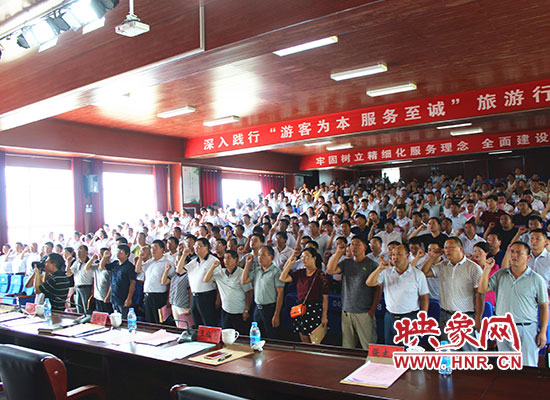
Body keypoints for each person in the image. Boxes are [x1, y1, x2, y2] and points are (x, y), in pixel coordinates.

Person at [478, 241, 549, 367]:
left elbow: (543, 306)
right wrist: (487, 269)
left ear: (528, 258)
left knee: (528, 367)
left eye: (519, 252)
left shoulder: (536, 279)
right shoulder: (501, 274)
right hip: (503, 328)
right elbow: (482, 289)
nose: (514, 255)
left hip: (526, 328)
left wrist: (543, 332)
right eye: (512, 252)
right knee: (506, 367)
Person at [422, 237, 484, 350]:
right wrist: (432, 257)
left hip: (465, 316)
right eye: (445, 248)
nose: (447, 250)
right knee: (447, 352)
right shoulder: (442, 266)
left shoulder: (473, 268)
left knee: (468, 353)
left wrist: (478, 318)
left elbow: (480, 295)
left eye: (451, 247)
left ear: (460, 249)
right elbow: (423, 273)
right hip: (446, 315)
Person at [366, 244, 429, 345]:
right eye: (393, 254)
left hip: (410, 318)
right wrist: (380, 268)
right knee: (390, 349)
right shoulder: (386, 272)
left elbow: (424, 298)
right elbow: (369, 283)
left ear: (407, 256)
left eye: (399, 254)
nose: (395, 257)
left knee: (409, 349)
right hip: (390, 317)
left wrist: (422, 318)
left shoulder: (418, 274)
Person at [326, 236, 380, 349]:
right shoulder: (346, 262)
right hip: (347, 310)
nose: (354, 247)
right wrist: (338, 253)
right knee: (347, 346)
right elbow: (330, 270)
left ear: (365, 247)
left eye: (357, 244)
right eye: (352, 244)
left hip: (364, 312)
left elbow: (378, 289)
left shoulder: (372, 265)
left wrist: (372, 310)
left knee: (368, 346)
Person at [280, 247, 329, 343]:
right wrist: (290, 264)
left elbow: (325, 298)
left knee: (313, 338)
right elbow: (283, 278)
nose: (303, 259)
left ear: (314, 258)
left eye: (306, 256)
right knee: (302, 335)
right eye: (302, 257)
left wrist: (324, 315)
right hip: (300, 307)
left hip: (314, 308)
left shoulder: (320, 275)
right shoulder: (300, 272)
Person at [203, 250, 252, 334]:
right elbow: (206, 279)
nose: (226, 260)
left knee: (240, 336)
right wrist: (213, 267)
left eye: (229, 258)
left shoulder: (241, 273)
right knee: (226, 335)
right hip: (226, 310)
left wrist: (246, 310)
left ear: (235, 260)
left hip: (239, 311)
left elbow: (249, 293)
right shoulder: (221, 273)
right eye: (225, 258)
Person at [241, 245, 285, 339]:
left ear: (271, 257)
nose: (260, 258)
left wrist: (276, 314)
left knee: (271, 337)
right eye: (259, 255)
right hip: (257, 308)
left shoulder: (276, 272)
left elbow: (280, 294)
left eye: (263, 255)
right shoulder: (257, 270)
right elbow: (243, 281)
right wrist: (247, 264)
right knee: (257, 336)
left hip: (270, 308)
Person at [179, 238, 219, 327]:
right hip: (194, 296)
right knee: (197, 323)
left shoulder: (213, 261)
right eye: (195, 246)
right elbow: (179, 270)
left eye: (199, 246)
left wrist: (218, 299)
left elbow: (218, 281)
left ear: (206, 247)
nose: (196, 248)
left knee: (208, 323)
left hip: (207, 296)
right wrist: (184, 256)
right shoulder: (194, 261)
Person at [135, 240, 174, 324]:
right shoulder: (150, 262)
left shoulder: (167, 263)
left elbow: (171, 282)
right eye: (152, 248)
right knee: (149, 321)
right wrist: (140, 258)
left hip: (159, 296)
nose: (153, 250)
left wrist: (168, 299)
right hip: (148, 296)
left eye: (155, 247)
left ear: (162, 249)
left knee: (159, 321)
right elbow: (138, 270)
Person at [101, 245, 136, 319]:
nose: (118, 253)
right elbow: (102, 266)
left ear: (127, 254)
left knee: (124, 319)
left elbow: (132, 283)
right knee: (115, 318)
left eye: (121, 251)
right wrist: (105, 257)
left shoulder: (129, 267)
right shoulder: (115, 264)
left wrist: (129, 298)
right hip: (114, 297)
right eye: (117, 251)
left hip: (123, 297)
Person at [161, 252, 191, 323]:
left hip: (183, 305)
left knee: (184, 325)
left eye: (179, 261)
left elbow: (190, 291)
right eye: (176, 261)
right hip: (173, 303)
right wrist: (166, 270)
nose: (177, 263)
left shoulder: (188, 275)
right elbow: (164, 282)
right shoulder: (174, 273)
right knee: (177, 324)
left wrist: (190, 306)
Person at [65, 245, 93, 314]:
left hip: (87, 286)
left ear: (86, 252)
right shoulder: (77, 262)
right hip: (77, 287)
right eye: (77, 250)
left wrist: (93, 290)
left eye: (80, 250)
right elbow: (68, 273)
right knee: (79, 308)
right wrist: (68, 262)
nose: (78, 252)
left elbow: (94, 277)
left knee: (87, 308)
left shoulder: (90, 262)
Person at [85, 248, 112, 313]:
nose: (101, 256)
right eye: (100, 254)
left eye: (103, 254)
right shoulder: (97, 266)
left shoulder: (110, 267)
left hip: (106, 296)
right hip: (97, 296)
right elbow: (86, 268)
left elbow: (112, 284)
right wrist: (92, 259)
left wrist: (108, 296)